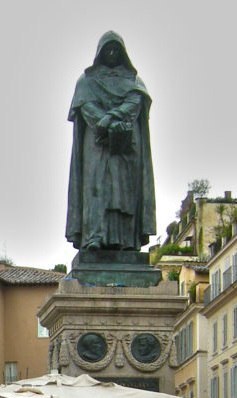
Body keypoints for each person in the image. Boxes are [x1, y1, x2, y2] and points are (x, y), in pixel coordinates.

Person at [65, 31, 155, 252]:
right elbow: (85, 106)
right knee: (96, 187)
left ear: (123, 53)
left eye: (116, 49)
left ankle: (127, 240)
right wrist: (102, 122)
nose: (112, 53)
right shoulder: (86, 81)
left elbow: (135, 103)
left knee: (124, 190)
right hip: (96, 143)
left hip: (126, 144)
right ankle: (94, 236)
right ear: (100, 53)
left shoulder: (134, 81)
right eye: (108, 49)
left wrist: (111, 118)